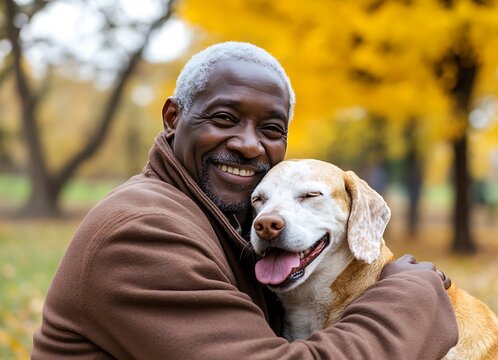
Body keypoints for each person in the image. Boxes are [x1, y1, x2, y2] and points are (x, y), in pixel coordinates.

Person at [32, 42, 458, 359]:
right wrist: (410, 296)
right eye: (224, 119)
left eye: (271, 128)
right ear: (172, 118)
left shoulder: (219, 217)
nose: (250, 146)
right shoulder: (141, 232)